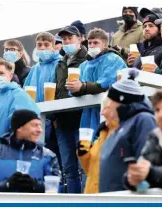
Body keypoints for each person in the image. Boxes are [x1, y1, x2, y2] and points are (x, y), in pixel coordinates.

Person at [98, 69, 156, 193]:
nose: (108, 105)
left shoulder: (143, 120)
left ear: (120, 101)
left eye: (110, 101)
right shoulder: (121, 125)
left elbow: (147, 165)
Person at [0, 109, 60, 193]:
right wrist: (7, 184)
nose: (40, 130)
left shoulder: (49, 155)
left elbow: (59, 189)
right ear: (19, 127)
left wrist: (35, 185)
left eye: (40, 125)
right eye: (35, 125)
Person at [51, 25, 89, 193]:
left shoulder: (88, 59)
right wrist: (54, 118)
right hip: (62, 122)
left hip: (82, 120)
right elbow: (56, 91)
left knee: (84, 166)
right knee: (68, 170)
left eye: (70, 38)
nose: (66, 42)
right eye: (64, 39)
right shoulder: (60, 63)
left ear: (80, 38)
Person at [68, 28, 126, 136]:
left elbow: (104, 84)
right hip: (88, 114)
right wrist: (73, 88)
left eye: (96, 42)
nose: (92, 45)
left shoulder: (114, 60)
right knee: (88, 148)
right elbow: (76, 90)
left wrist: (82, 86)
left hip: (110, 111)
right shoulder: (83, 65)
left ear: (105, 44)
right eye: (90, 43)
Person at [77, 96, 117, 194]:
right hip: (92, 200)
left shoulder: (121, 136)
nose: (101, 113)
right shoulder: (101, 136)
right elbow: (91, 172)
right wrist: (84, 155)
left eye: (106, 108)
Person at [24, 32, 63, 103]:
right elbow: (25, 91)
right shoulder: (34, 68)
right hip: (36, 111)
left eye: (46, 45)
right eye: (39, 45)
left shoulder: (60, 63)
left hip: (55, 109)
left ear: (53, 47)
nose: (42, 48)